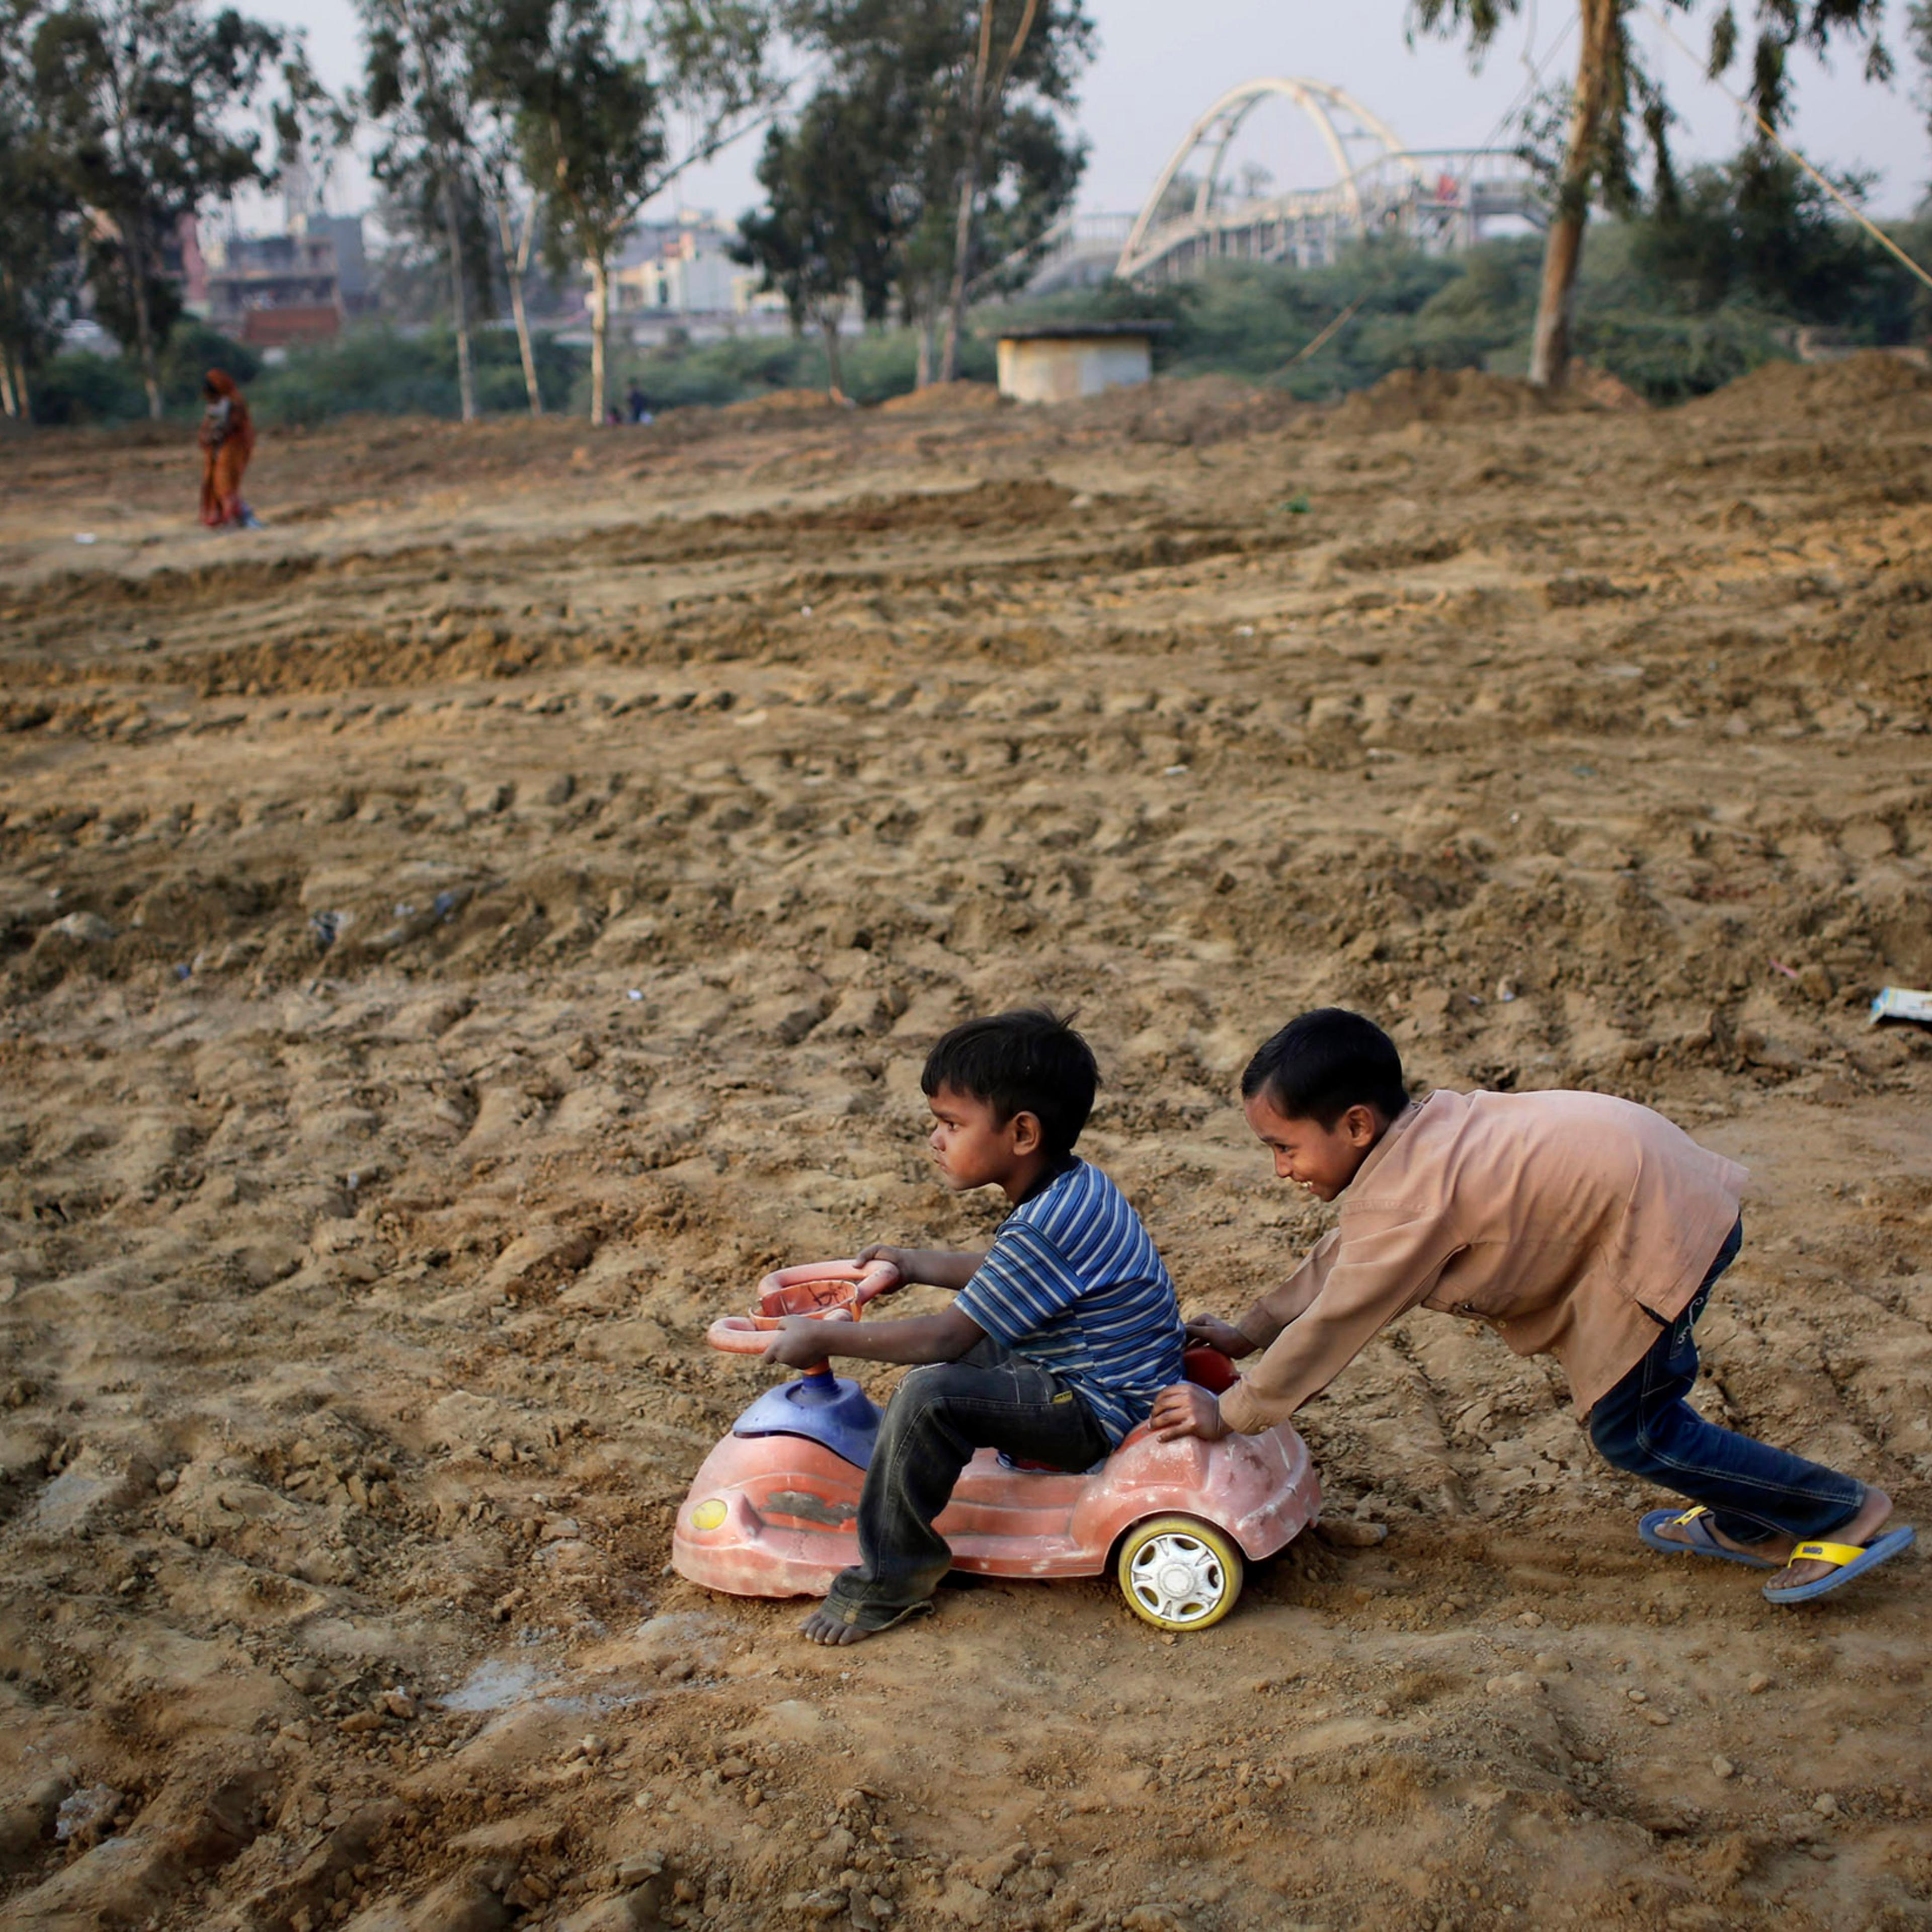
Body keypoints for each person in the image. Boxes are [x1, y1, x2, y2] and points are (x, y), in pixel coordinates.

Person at [1153, 1008, 1913, 1607]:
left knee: (1636, 1431)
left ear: (1356, 1124)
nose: (1280, 1169)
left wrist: (1238, 1410)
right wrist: (1251, 1330)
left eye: (1284, 1148)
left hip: (1655, 1225)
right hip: (1653, 1193)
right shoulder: (1413, 1147)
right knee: (1647, 1410)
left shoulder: (1409, 1195)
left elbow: (1340, 1318)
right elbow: (1349, 1255)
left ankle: (1832, 1513)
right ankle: (1755, 1518)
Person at [762, 1009, 1185, 1644]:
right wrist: (912, 1265)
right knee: (976, 1347)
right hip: (1111, 1372)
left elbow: (945, 1340)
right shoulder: (1075, 1185)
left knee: (929, 1394)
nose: (935, 1139)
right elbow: (1009, 1277)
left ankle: (887, 1583)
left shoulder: (1045, 1223)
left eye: (951, 1124)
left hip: (1097, 1408)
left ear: (1021, 1133)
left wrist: (823, 1338)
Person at [198, 370, 258, 530]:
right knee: (219, 486)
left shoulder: (234, 404)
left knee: (225, 486)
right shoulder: (214, 407)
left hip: (233, 449)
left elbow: (233, 426)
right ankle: (233, 519)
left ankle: (238, 518)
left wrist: (216, 434)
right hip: (219, 450)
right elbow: (206, 430)